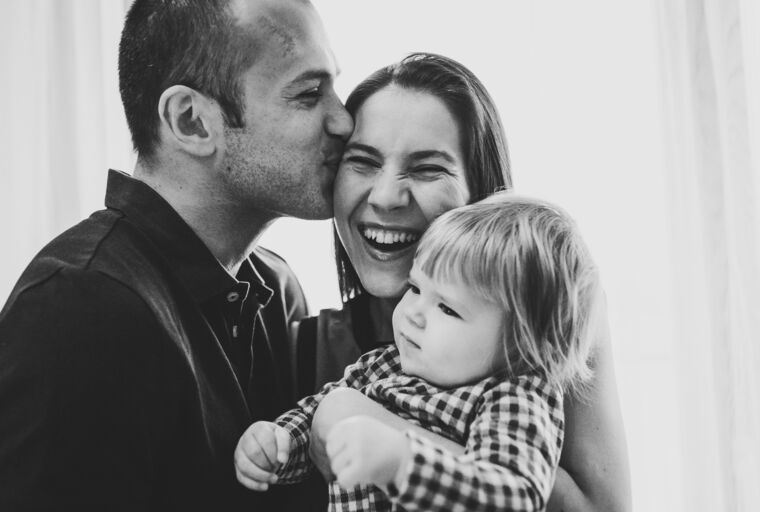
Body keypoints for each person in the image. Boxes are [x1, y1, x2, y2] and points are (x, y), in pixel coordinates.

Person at [0, 0, 351, 510]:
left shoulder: (276, 289)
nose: (343, 120)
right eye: (309, 93)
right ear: (191, 121)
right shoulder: (78, 309)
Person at [291, 53, 632, 511]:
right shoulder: (305, 342)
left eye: (428, 168)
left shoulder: (547, 307)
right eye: (364, 162)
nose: (387, 196)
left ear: (483, 193)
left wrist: (360, 420)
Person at [236, 193, 601, 511]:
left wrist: (403, 461)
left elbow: (516, 496)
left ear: (521, 344)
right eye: (414, 288)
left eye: (447, 308)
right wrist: (279, 442)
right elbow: (317, 411)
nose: (413, 313)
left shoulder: (513, 395)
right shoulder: (387, 364)